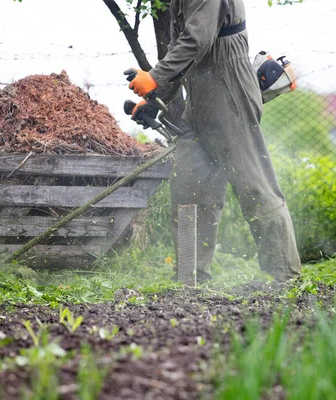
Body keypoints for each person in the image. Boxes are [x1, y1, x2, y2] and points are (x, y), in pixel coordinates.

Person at [127, 0, 301, 282]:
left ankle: (284, 274)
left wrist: (156, 77)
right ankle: (191, 276)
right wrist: (157, 99)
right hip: (199, 98)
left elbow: (198, 39)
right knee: (190, 188)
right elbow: (183, 48)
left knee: (254, 185)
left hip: (228, 90)